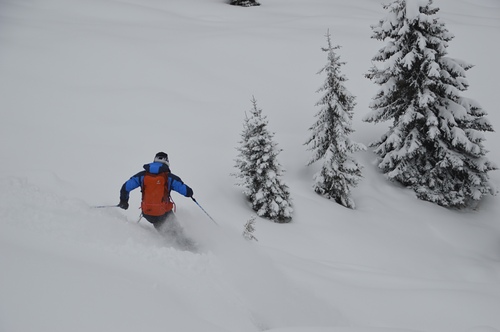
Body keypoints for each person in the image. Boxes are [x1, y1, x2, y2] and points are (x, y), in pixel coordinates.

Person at [118, 152, 194, 236]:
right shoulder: (169, 177)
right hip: (164, 213)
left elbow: (125, 187)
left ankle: (169, 241)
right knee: (176, 233)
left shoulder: (142, 175)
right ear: (167, 161)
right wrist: (190, 193)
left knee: (164, 230)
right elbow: (186, 191)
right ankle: (184, 245)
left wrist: (123, 201)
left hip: (147, 213)